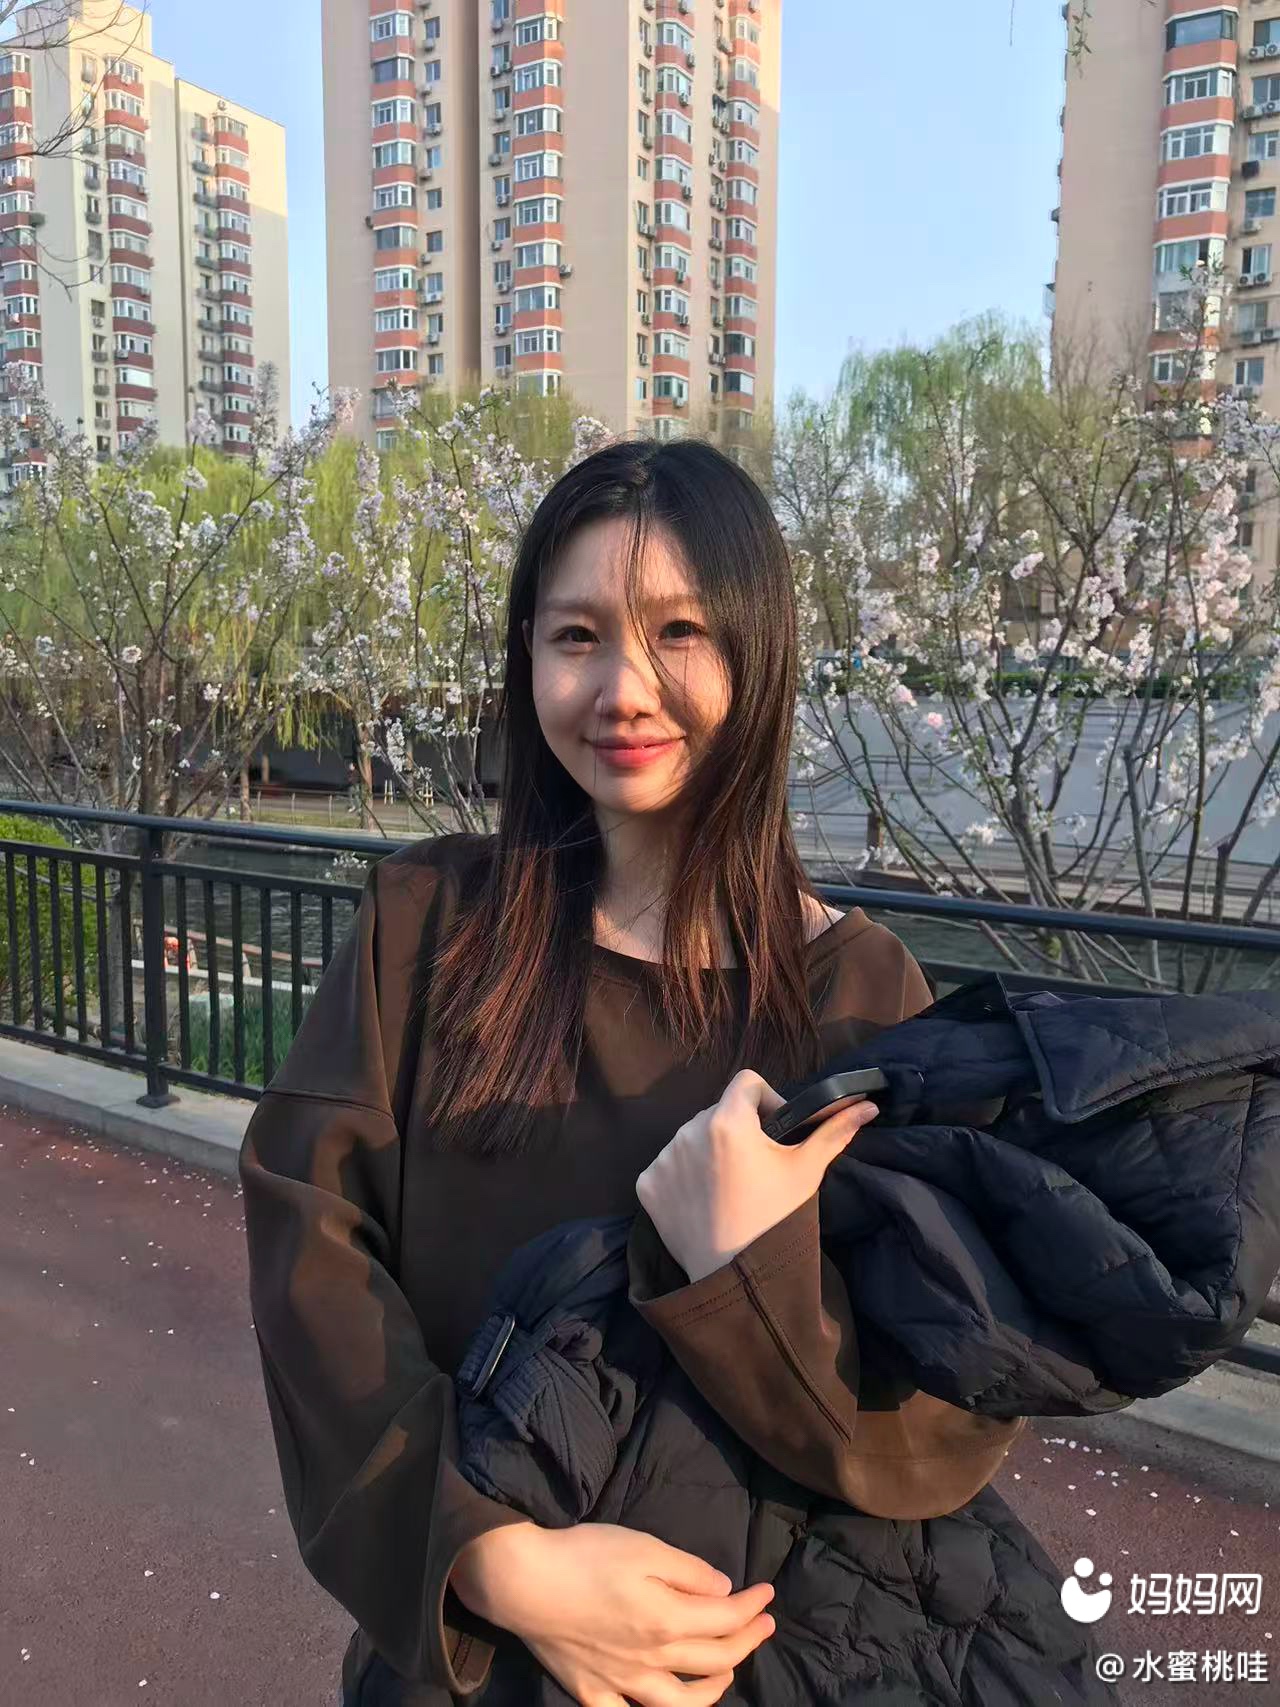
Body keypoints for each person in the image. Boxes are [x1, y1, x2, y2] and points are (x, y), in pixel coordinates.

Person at [238, 437, 1021, 1707]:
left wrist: (742, 1270)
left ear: (757, 656)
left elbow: (933, 1424)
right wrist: (484, 1557)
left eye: (678, 633)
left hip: (739, 1666)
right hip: (463, 1662)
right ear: (526, 659)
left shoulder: (859, 996)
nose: (622, 690)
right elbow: (311, 1260)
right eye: (576, 637)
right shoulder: (425, 924)